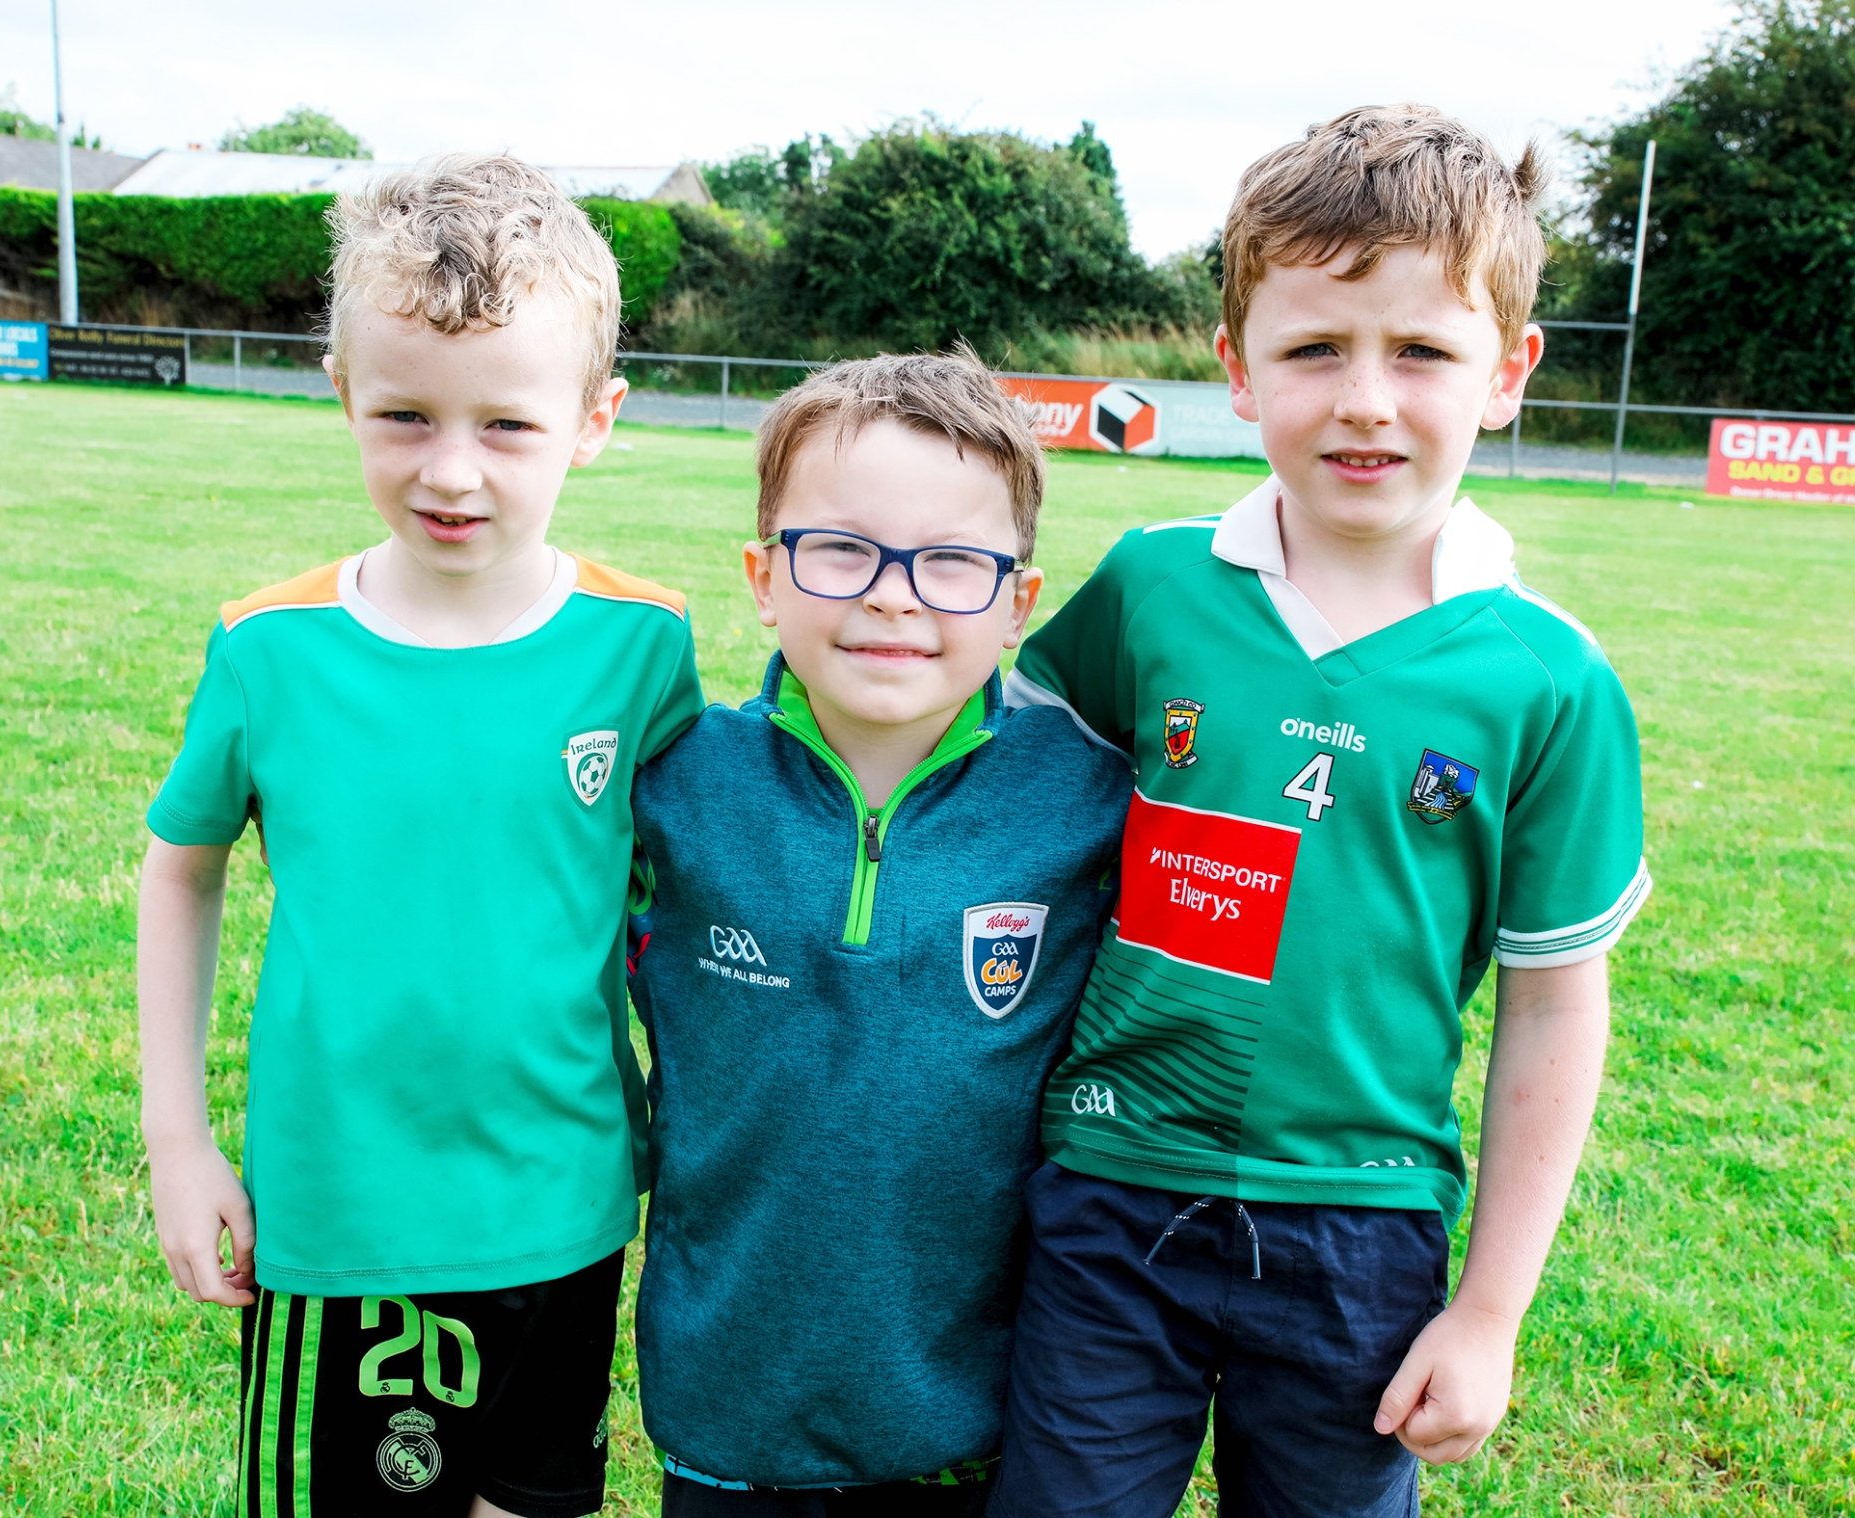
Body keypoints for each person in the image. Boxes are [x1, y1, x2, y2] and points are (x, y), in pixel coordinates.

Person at [991, 105, 1652, 1518]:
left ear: (1509, 371)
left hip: (1363, 1225)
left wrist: (1490, 1311)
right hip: (1108, 1186)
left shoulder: (1550, 679)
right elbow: (1008, 810)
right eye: (1313, 349)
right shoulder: (1152, 586)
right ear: (1237, 367)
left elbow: (1555, 1002)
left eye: (1421, 351)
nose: (1364, 399)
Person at [136, 154, 703, 1517]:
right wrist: (178, 1141)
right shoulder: (270, 648)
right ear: (342, 391)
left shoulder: (643, 646)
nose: (452, 471)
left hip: (567, 1203)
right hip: (345, 1212)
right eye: (404, 415)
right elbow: (182, 865)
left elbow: (679, 900)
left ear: (596, 419)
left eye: (506, 425)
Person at [625, 352, 1133, 1515]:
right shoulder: (679, 782)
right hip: (727, 1405)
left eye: (952, 561)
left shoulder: (1090, 799)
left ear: (1019, 602)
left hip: (974, 1422)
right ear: (764, 577)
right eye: (842, 549)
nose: (894, 595)